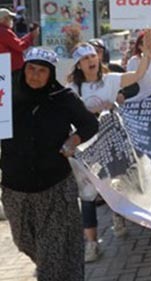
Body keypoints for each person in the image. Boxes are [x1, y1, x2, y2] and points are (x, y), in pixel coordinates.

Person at [1, 48, 99, 280]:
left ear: (51, 74)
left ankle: (54, 270)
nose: (35, 75)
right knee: (24, 241)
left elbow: (89, 125)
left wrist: (73, 140)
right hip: (16, 187)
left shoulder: (63, 98)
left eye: (41, 71)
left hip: (55, 187)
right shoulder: (7, 97)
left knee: (53, 251)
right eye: (31, 69)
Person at [67, 42, 151, 262]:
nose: (90, 60)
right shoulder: (72, 89)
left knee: (116, 185)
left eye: (92, 56)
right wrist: (91, 111)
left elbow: (138, 75)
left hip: (112, 144)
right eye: (85, 58)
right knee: (87, 194)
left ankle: (118, 216)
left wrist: (146, 55)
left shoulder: (111, 80)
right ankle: (92, 244)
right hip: (86, 149)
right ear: (78, 65)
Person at [0, 7, 39, 71]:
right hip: (12, 66)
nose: (12, 20)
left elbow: (17, 43)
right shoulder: (4, 31)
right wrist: (31, 36)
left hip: (5, 66)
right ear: (4, 19)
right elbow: (20, 46)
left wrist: (28, 36)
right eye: (10, 18)